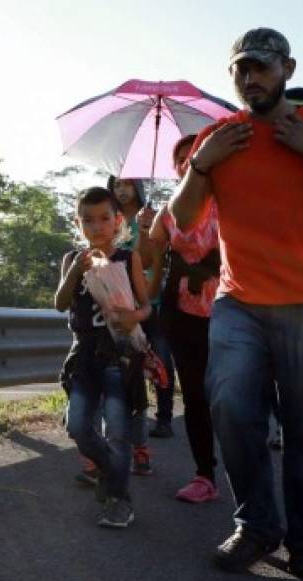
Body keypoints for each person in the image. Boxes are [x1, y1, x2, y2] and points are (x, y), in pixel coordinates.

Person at [170, 27, 303, 578]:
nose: (249, 77)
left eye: (260, 66)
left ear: (287, 67)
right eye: (240, 68)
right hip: (240, 304)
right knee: (233, 412)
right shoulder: (219, 137)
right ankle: (257, 525)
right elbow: (183, 220)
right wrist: (201, 164)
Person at [55, 187, 151, 528]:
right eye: (88, 220)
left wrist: (135, 318)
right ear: (78, 223)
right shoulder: (72, 260)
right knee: (78, 424)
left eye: (104, 219)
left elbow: (146, 306)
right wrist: (74, 274)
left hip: (120, 356)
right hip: (83, 355)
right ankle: (112, 473)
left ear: (118, 221)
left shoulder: (128, 259)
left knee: (118, 432)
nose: (97, 226)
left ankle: (118, 500)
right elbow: (60, 303)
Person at [147, 133, 221, 503]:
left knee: (232, 399)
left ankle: (248, 473)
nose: (184, 162)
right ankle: (204, 475)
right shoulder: (165, 211)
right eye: (179, 158)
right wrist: (146, 230)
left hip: (230, 313)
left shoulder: (232, 204)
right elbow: (150, 263)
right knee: (194, 398)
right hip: (182, 316)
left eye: (192, 154)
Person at [108, 176, 172, 469]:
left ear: (138, 187)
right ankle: (131, 426)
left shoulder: (151, 216)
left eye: (127, 184)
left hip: (150, 300)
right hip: (122, 301)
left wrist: (146, 229)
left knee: (158, 357)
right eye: (117, 185)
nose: (122, 190)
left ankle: (164, 417)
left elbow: (147, 261)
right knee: (127, 366)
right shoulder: (111, 220)